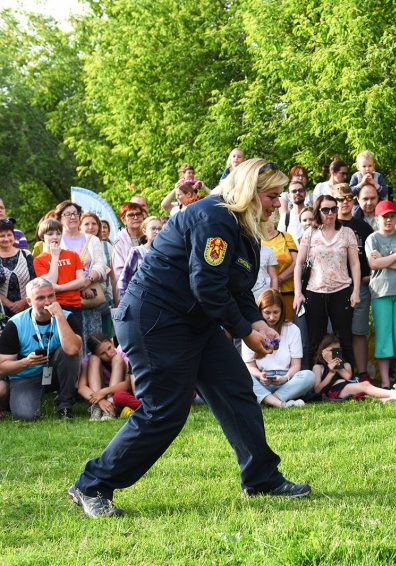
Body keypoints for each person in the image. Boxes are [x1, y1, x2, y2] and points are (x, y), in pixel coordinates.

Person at [70, 158, 310, 518]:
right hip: (156, 321)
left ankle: (261, 478)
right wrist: (246, 332)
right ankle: (91, 485)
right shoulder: (214, 218)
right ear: (250, 193)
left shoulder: (242, 225)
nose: (278, 203)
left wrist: (257, 323)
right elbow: (208, 286)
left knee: (236, 391)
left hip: (192, 321)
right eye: (272, 195)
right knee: (164, 412)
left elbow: (237, 285)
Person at [293, 194, 361, 367]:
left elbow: (354, 264)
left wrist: (356, 291)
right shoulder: (310, 233)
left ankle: (345, 378)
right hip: (315, 292)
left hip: (342, 290)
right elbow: (299, 264)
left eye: (333, 209)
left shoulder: (347, 232)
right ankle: (315, 381)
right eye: (325, 209)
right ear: (318, 211)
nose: (330, 213)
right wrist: (298, 293)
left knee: (343, 336)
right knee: (316, 338)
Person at [0, 278, 82, 421]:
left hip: (55, 372)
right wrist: (26, 362)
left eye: (51, 296)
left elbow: (73, 350)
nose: (47, 302)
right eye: (40, 298)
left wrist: (59, 316)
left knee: (67, 351)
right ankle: (14, 397)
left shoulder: (67, 317)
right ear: (29, 302)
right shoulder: (15, 324)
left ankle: (65, 405)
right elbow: (2, 367)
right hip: (26, 376)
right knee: (26, 416)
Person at [365, 200, 396, 388]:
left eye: (392, 216)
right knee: (383, 336)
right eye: (385, 216)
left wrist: (385, 261)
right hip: (381, 292)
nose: (389, 220)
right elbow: (373, 265)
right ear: (377, 219)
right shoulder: (373, 239)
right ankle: (386, 382)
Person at [242, 289, 315, 408]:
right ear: (259, 311)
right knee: (242, 375)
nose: (272, 317)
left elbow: (296, 365)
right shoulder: (250, 332)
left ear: (282, 311)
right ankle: (280, 404)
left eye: (276, 312)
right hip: (261, 381)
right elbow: (250, 366)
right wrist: (260, 375)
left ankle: (269, 400)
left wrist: (285, 378)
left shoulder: (292, 329)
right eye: (267, 312)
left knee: (309, 376)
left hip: (285, 382)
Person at [332, 183, 374, 376]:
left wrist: (368, 276)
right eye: (340, 199)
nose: (345, 202)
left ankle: (363, 372)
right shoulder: (329, 225)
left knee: (359, 331)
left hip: (361, 286)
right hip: (334, 287)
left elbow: (371, 256)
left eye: (348, 198)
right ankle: (340, 374)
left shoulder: (363, 227)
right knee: (336, 333)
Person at [56, 201, 108, 350]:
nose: (72, 217)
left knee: (94, 344)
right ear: (60, 218)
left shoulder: (93, 239)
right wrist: (79, 285)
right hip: (66, 299)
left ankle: (94, 372)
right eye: (67, 214)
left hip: (90, 298)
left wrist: (87, 281)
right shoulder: (55, 240)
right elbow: (54, 270)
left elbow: (100, 265)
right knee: (72, 344)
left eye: (75, 213)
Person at [312, 334, 396, 403]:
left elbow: (348, 376)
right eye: (331, 350)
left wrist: (336, 366)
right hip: (334, 391)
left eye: (337, 350)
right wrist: (330, 373)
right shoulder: (318, 368)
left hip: (347, 385)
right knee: (365, 385)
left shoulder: (345, 365)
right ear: (323, 351)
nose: (335, 353)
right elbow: (317, 390)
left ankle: (393, 399)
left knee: (367, 394)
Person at [34, 218, 87, 315]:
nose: (55, 237)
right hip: (53, 306)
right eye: (50, 234)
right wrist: (55, 256)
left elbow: (82, 281)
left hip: (75, 306)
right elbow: (50, 283)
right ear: (42, 236)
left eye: (58, 233)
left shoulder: (73, 255)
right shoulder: (38, 260)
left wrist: (59, 288)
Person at [78, 332, 131, 421]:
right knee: (93, 360)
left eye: (109, 348)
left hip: (117, 393)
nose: (109, 354)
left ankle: (111, 405)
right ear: (96, 354)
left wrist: (105, 391)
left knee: (117, 359)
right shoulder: (90, 358)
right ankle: (97, 407)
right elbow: (81, 387)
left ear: (111, 342)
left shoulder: (123, 353)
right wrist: (100, 400)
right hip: (98, 396)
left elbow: (128, 384)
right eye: (103, 353)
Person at [117, 216, 164, 302]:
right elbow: (123, 279)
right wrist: (125, 302)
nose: (157, 232)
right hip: (141, 300)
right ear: (144, 231)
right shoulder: (137, 251)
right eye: (153, 228)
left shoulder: (166, 252)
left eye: (159, 229)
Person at [0, 217, 35, 327]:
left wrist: (23, 302)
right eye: (2, 236)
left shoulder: (26, 255)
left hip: (28, 308)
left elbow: (35, 281)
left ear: (14, 237)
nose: (6, 238)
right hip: (3, 312)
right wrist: (10, 304)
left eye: (9, 235)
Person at [111, 201, 147, 290]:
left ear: (143, 217)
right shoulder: (119, 241)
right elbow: (119, 271)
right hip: (129, 288)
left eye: (138, 214)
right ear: (123, 220)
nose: (135, 217)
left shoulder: (149, 236)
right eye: (131, 215)